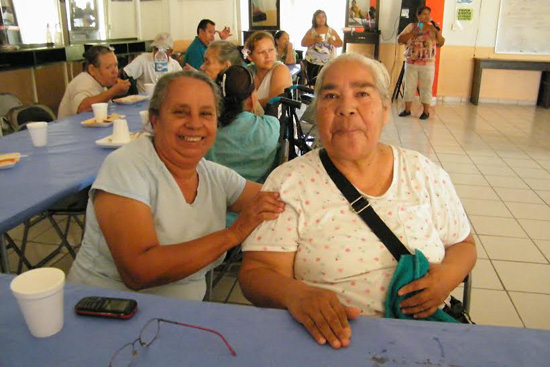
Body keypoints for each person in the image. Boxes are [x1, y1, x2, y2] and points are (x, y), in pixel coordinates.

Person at [239, 54, 476, 349]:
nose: (346, 108)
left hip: (419, 340)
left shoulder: (424, 173)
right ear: (317, 111)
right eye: (331, 96)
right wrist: (296, 295)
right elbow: (256, 272)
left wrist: (447, 278)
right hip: (327, 342)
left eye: (362, 94)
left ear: (385, 109)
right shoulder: (289, 182)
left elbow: (463, 245)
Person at [67, 70, 284, 300]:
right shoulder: (126, 166)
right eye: (181, 112)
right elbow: (139, 271)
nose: (194, 124)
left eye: (206, 114)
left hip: (179, 315)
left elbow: (281, 199)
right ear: (155, 119)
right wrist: (234, 234)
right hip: (106, 311)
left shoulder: (213, 176)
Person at [206, 65, 279, 184]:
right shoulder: (271, 126)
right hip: (257, 195)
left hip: (216, 197)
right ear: (251, 98)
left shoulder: (208, 131)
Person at [397, 6, 445, 120]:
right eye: (423, 14)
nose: (426, 16)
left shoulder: (432, 28)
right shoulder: (411, 27)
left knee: (426, 88)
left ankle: (426, 112)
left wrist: (437, 31)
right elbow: (400, 40)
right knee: (409, 87)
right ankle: (407, 109)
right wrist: (413, 33)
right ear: (418, 16)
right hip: (411, 63)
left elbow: (441, 42)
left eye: (428, 14)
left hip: (428, 64)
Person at [58, 46, 130, 119]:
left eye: (115, 65)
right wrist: (114, 91)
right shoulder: (83, 82)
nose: (115, 71)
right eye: (108, 67)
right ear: (92, 70)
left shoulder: (100, 82)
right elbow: (82, 108)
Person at [245, 31, 292, 109]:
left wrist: (246, 107)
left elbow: (275, 102)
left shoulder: (280, 69)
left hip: (275, 120)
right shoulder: (248, 71)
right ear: (250, 57)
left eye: (271, 50)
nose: (268, 56)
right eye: (261, 52)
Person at [301, 9, 343, 86]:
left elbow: (340, 43)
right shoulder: (311, 31)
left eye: (323, 16)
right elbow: (303, 43)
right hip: (312, 61)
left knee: (326, 83)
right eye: (319, 17)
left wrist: (333, 42)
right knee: (313, 83)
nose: (321, 19)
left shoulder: (331, 31)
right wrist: (314, 40)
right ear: (314, 19)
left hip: (327, 62)